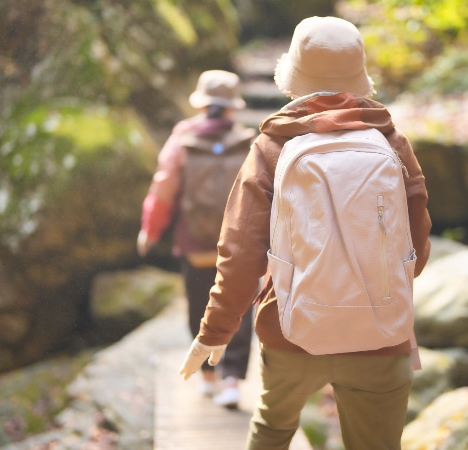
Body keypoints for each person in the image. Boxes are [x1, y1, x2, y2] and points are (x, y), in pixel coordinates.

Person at [178, 16, 432, 449]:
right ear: (359, 76)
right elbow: (418, 247)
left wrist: (214, 331)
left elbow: (240, 252)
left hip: (290, 331)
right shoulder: (392, 142)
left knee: (273, 430)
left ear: (293, 76)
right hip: (380, 336)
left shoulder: (272, 147)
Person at [138, 70, 257, 409]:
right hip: (238, 247)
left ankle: (207, 376)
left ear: (202, 105)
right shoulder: (248, 141)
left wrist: (150, 229)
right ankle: (232, 380)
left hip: (194, 243)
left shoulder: (182, 139)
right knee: (238, 309)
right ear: (232, 108)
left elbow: (163, 188)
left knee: (199, 306)